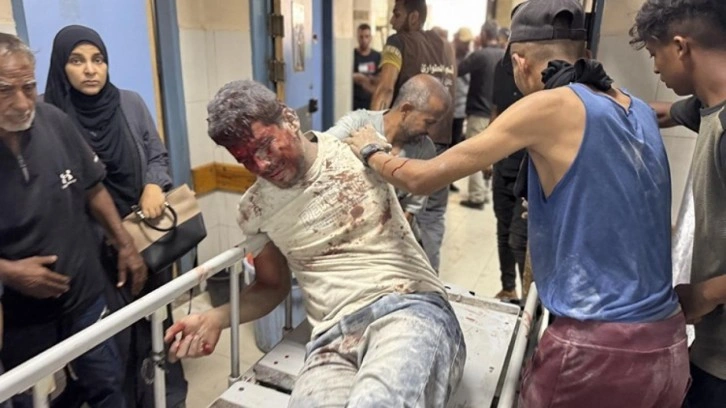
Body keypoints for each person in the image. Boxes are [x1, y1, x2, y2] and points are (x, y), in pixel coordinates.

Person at [345, 0, 689, 406]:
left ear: (519, 62)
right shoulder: (635, 106)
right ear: (585, 52)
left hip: (597, 354)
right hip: (668, 346)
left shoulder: (548, 105)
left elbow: (422, 178)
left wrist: (371, 150)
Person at [165, 79, 466, 407]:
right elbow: (271, 286)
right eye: (245, 159)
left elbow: (419, 178)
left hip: (408, 307)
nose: (261, 165)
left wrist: (376, 152)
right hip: (332, 339)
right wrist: (216, 318)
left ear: (289, 119)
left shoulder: (359, 151)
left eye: (265, 145)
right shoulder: (255, 208)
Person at [40, 25, 186, 407]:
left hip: (143, 237)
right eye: (77, 61)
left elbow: (156, 153)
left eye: (98, 60)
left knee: (156, 326)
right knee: (108, 344)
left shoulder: (129, 103)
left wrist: (154, 183)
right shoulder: (49, 116)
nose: (90, 70)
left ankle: (164, 398)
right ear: (60, 66)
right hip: (91, 252)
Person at [0, 32, 146, 408]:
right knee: (31, 399)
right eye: (4, 91)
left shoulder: (54, 121)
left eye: (28, 87)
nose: (22, 103)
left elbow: (93, 188)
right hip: (21, 314)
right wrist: (10, 272)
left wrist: (125, 244)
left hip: (85, 296)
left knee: (107, 386)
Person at [632, 1, 726, 406]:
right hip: (711, 348)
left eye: (656, 54)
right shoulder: (708, 106)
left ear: (681, 47)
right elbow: (662, 113)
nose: (655, 68)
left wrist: (702, 295)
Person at [371, 0, 456, 271]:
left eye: (396, 14)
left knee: (392, 214)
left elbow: (385, 88)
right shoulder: (446, 46)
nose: (392, 21)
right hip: (442, 148)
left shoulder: (397, 43)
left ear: (413, 17)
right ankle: (430, 281)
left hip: (410, 147)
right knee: (432, 217)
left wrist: (373, 135)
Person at [327, 74, 449, 252]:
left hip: (392, 238)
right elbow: (323, 150)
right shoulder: (358, 123)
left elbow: (409, 211)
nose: (430, 131)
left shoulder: (424, 150)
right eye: (428, 122)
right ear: (406, 109)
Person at [490, 57, 528, 301]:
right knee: (503, 231)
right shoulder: (501, 68)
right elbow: (496, 112)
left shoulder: (543, 71)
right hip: (503, 163)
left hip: (528, 169)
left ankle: (529, 301)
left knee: (518, 239)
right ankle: (508, 288)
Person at [457, 20, 504, 210]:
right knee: (489, 154)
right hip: (498, 115)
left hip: (478, 112)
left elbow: (458, 70)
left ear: (483, 35)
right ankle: (484, 193)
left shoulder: (479, 55)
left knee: (475, 155)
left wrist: (474, 48)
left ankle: (476, 196)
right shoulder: (504, 55)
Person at [449, 27, 473, 193]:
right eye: (463, 42)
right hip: (446, 109)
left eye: (467, 43)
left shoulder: (470, 58)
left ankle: (449, 179)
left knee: (454, 145)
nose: (466, 46)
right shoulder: (448, 55)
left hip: (461, 109)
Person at [353, 24, 381, 111]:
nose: (364, 40)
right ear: (357, 38)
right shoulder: (352, 55)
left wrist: (368, 79)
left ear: (371, 38)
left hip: (372, 102)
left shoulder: (377, 56)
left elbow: (381, 77)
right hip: (355, 103)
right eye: (361, 37)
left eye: (367, 36)